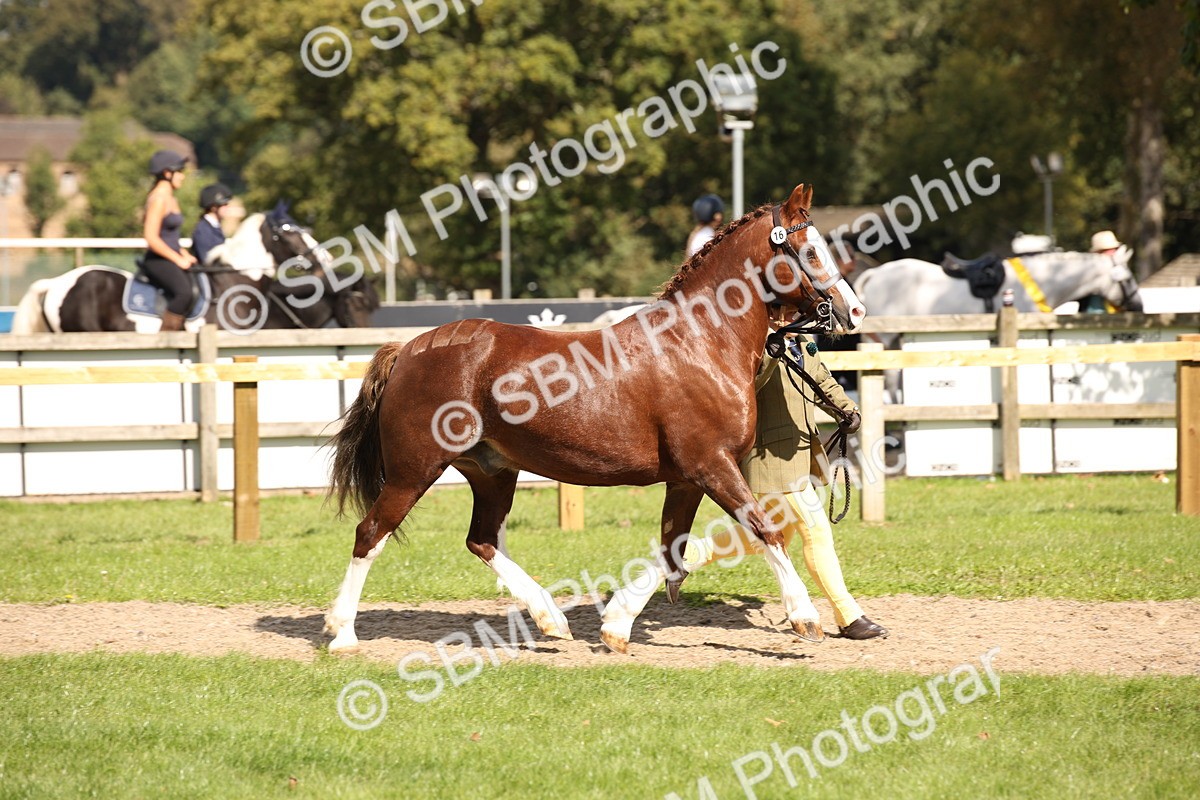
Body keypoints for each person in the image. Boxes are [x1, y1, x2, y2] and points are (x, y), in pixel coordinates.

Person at [683, 312, 887, 640]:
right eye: (786, 310)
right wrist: (770, 353)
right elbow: (743, 387)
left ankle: (689, 555)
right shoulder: (751, 342)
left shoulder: (802, 340)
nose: (795, 315)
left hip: (799, 453)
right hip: (769, 456)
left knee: (768, 536)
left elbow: (821, 378)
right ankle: (848, 616)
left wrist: (846, 409)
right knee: (816, 530)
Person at [142, 150, 196, 331]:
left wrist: (184, 253)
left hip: (171, 257)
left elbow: (171, 237)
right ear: (167, 173)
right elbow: (151, 238)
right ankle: (166, 338)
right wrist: (178, 259)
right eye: (179, 172)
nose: (182, 176)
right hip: (158, 260)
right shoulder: (158, 199)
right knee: (184, 293)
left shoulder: (171, 198)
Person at [192, 183, 233, 266]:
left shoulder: (215, 227)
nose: (227, 208)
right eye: (224, 205)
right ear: (213, 207)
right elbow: (206, 259)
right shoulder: (202, 230)